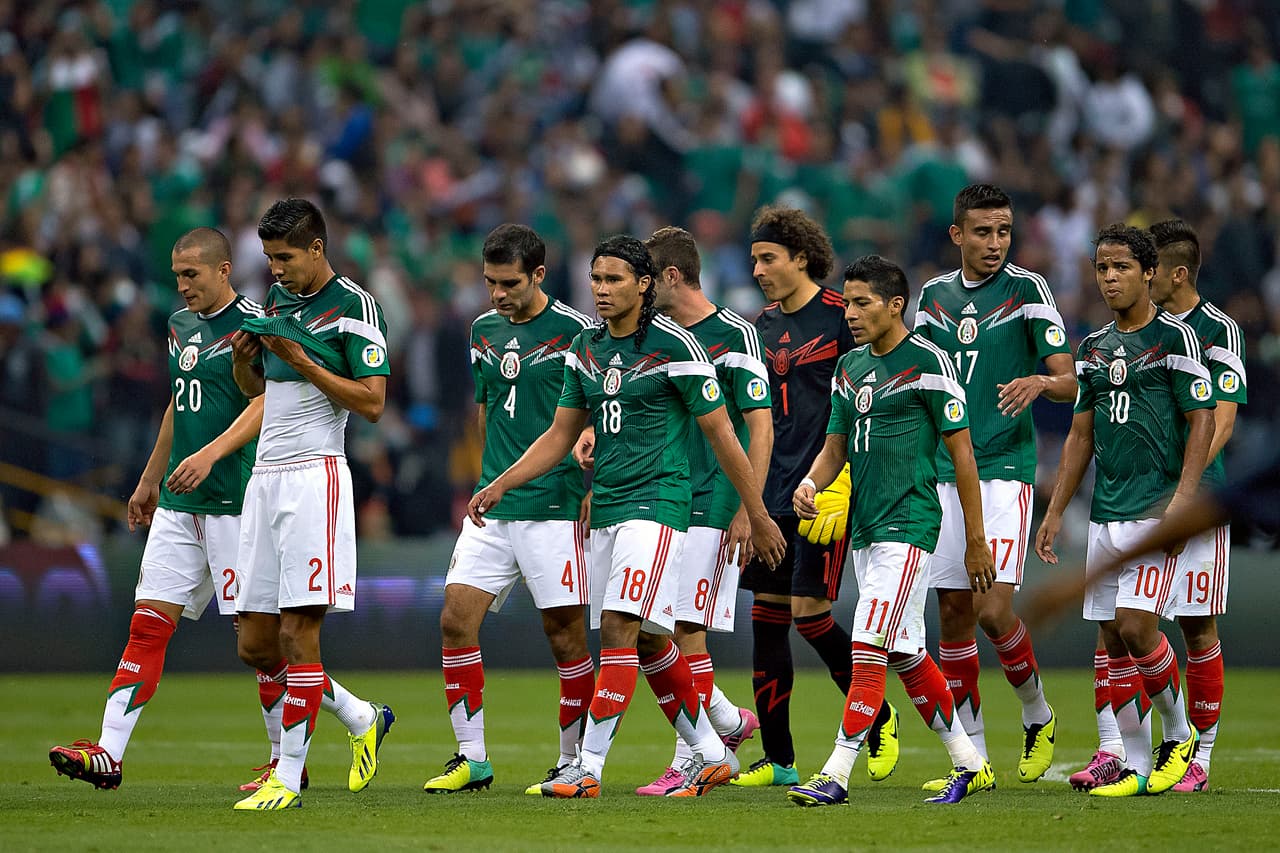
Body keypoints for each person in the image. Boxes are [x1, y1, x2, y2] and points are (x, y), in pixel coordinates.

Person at [468, 235, 786, 799]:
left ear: (644, 285)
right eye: (595, 279)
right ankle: (714, 752)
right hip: (608, 504)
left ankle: (586, 768)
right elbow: (559, 434)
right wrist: (500, 483)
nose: (601, 290)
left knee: (619, 629)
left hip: (659, 505)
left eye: (614, 280)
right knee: (649, 641)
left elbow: (722, 435)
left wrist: (755, 512)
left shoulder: (679, 347)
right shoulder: (585, 349)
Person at [49, 228, 270, 791]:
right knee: (147, 627)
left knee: (258, 643)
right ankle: (108, 753)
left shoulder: (255, 326)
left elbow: (267, 405)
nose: (182, 286)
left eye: (191, 275)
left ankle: (334, 728)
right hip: (178, 502)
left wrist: (212, 452)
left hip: (233, 503)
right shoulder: (178, 327)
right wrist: (150, 479)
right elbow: (179, 400)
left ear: (223, 270)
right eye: (176, 275)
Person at [785, 255, 997, 807]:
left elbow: (963, 455)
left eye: (863, 303)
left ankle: (836, 773)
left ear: (895, 304)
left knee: (866, 644)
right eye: (848, 302)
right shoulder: (851, 367)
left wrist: (976, 540)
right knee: (904, 651)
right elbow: (834, 447)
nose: (851, 313)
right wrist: (810, 484)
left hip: (910, 524)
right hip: (867, 529)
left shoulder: (930, 363)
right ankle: (970, 764)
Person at [1035, 224, 1214, 798]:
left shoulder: (1178, 340)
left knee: (1140, 629)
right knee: (1112, 640)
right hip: (1106, 510)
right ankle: (1135, 766)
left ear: (1148, 273)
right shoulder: (1092, 348)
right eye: (1101, 269)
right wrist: (1056, 509)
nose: (1110, 278)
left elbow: (1202, 419)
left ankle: (1179, 736)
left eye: (1121, 268)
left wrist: (1184, 498)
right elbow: (1080, 436)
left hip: (1154, 508)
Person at [229, 199, 395, 810]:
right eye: (270, 258)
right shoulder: (276, 304)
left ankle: (289, 774)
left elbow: (372, 402)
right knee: (255, 642)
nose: (274, 269)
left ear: (317, 249)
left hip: (314, 478)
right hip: (265, 476)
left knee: (300, 632)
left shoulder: (354, 307)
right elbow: (263, 391)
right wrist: (251, 366)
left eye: (285, 257)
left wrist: (303, 359)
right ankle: (359, 715)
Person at [421, 225, 596, 796]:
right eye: (490, 281)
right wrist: (484, 477)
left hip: (556, 504)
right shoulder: (482, 331)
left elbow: (596, 415)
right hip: (494, 505)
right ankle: (472, 759)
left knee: (565, 636)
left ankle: (572, 762)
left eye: (509, 282)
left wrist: (592, 479)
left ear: (539, 275)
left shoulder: (578, 333)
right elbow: (486, 408)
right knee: (454, 620)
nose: (497, 293)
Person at [912, 183, 1075, 788]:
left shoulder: (1028, 291)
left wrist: (1039, 383)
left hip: (1003, 467)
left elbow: (1072, 380)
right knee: (951, 612)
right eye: (982, 232)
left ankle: (1037, 714)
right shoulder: (932, 296)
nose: (995, 243)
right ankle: (973, 760)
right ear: (957, 235)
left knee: (991, 608)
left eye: (1004, 231)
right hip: (944, 469)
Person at [735, 206, 899, 789]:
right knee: (765, 621)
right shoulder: (760, 326)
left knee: (809, 618)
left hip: (825, 490)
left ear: (801, 258)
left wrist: (846, 480)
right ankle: (779, 761)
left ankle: (878, 717)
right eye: (754, 259)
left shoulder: (841, 317)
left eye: (768, 258)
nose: (757, 269)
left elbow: (875, 394)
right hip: (771, 488)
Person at [630, 225, 770, 794]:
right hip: (660, 496)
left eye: (644, 279)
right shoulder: (652, 338)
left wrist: (748, 508)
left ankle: (696, 756)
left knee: (683, 630)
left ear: (668, 277)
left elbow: (760, 427)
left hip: (714, 499)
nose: (635, 291)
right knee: (652, 629)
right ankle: (731, 725)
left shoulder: (734, 334)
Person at [1145, 218, 1246, 792]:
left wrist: (1184, 486)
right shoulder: (1141, 329)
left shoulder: (1217, 330)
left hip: (1197, 498)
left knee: (1196, 622)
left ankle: (1199, 757)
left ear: (1177, 273)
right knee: (1126, 623)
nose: (1143, 275)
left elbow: (1224, 418)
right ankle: (1137, 747)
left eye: (1151, 266)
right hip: (1136, 498)